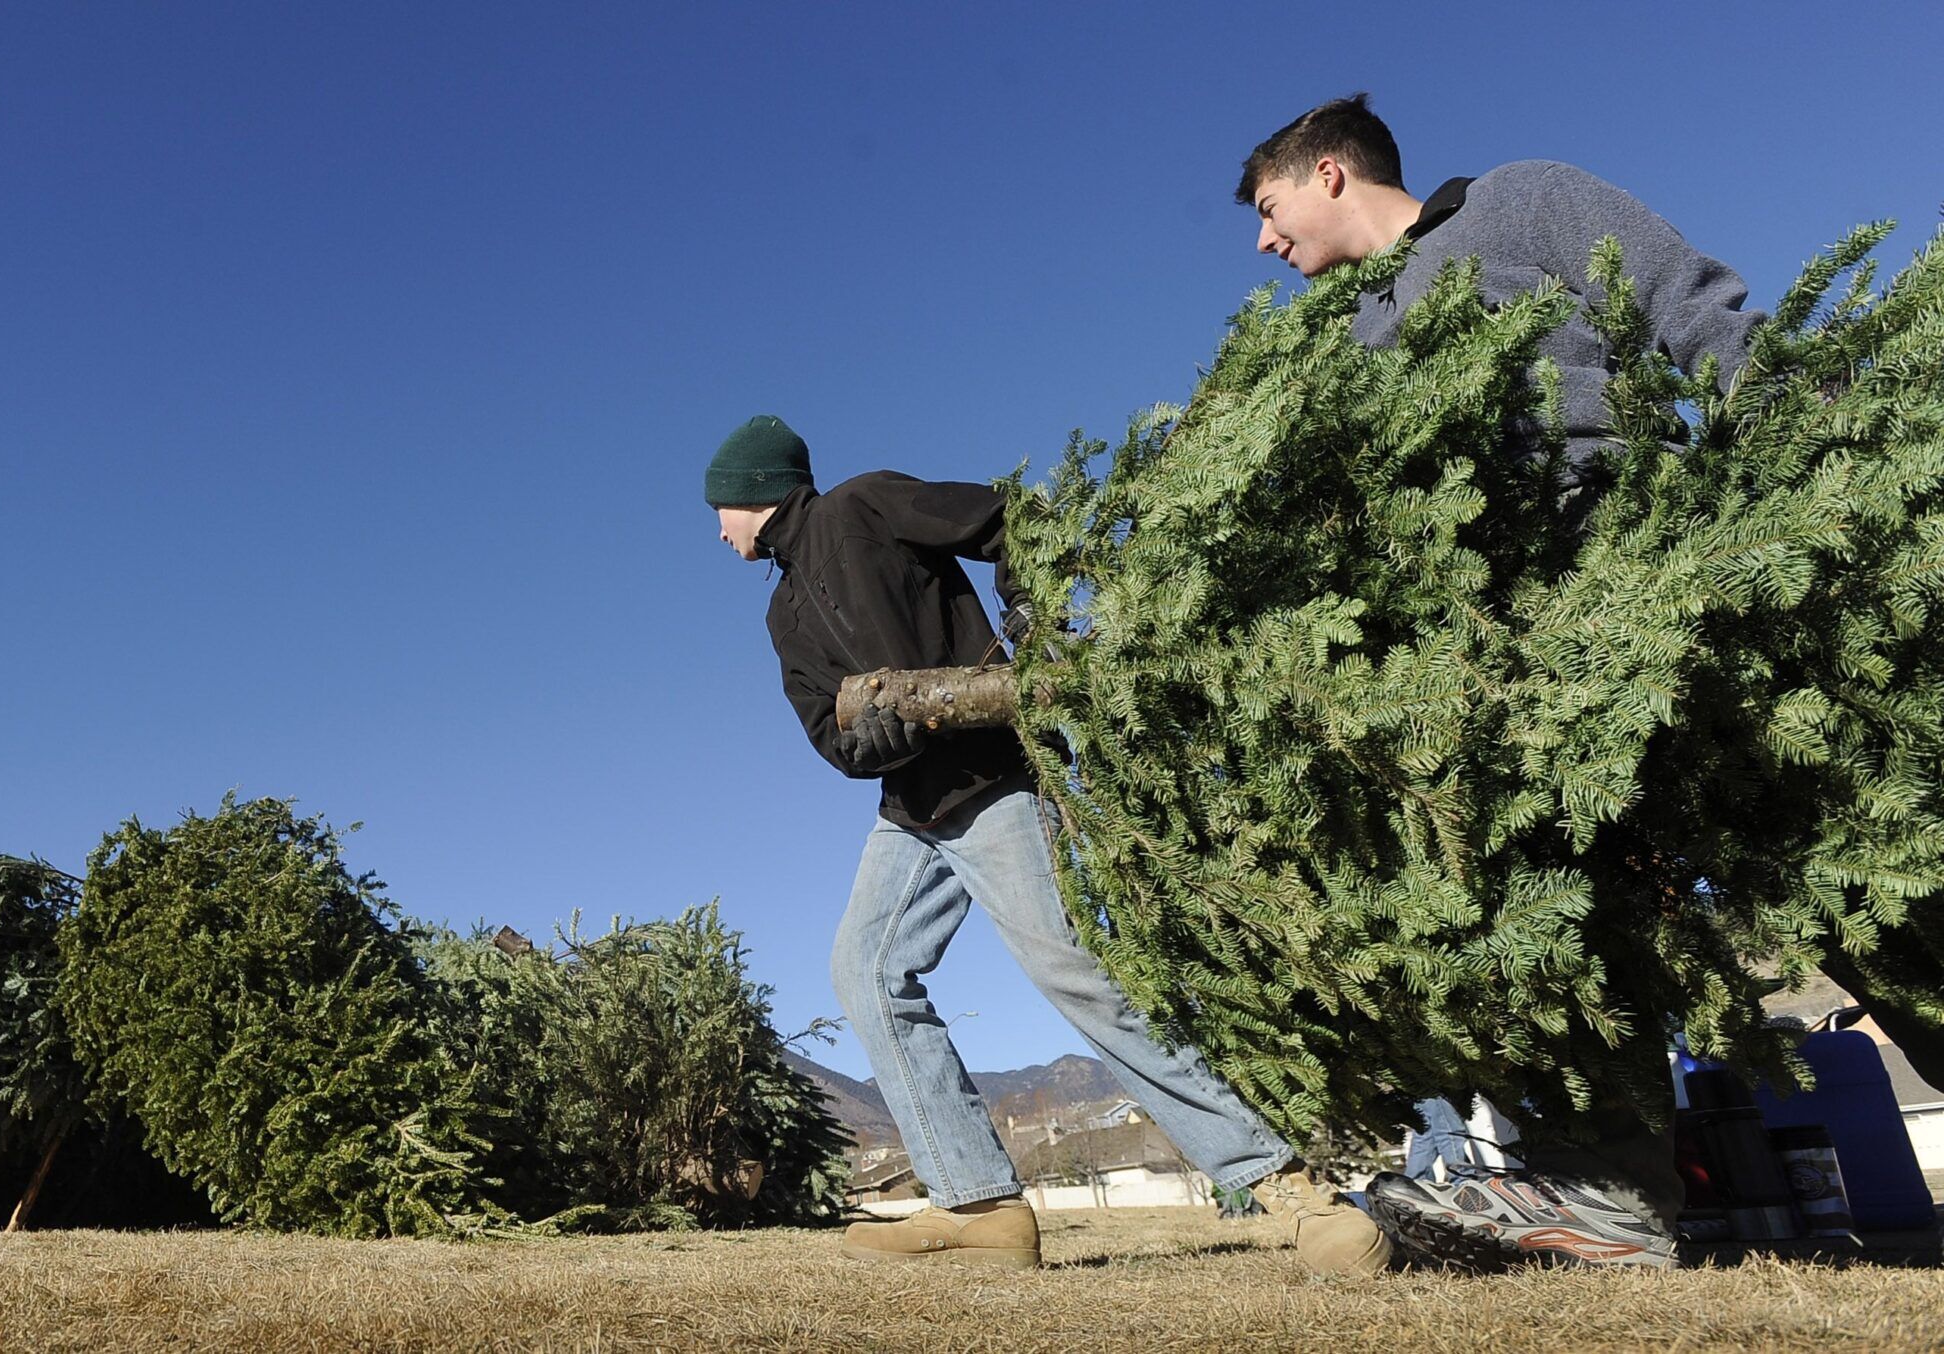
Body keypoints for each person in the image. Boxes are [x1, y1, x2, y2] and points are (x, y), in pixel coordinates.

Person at [1233, 92, 1769, 1270]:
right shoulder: (1338, 337)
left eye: (1269, 212)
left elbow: (1684, 299)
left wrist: (1786, 444)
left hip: (1635, 561)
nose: (1263, 246)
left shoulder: (1520, 201)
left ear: (1329, 175)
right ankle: (1605, 1191)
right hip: (1483, 652)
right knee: (1554, 902)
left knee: (1799, 851)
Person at [703, 412, 1390, 1274]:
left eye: (719, 510)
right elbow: (830, 736)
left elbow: (1011, 517)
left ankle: (1290, 1189)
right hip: (911, 812)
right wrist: (884, 729)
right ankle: (982, 1208)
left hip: (994, 782)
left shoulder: (866, 505)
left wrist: (1027, 614)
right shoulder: (783, 611)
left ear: (753, 495)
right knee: (867, 973)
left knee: (1075, 975)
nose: (717, 530)